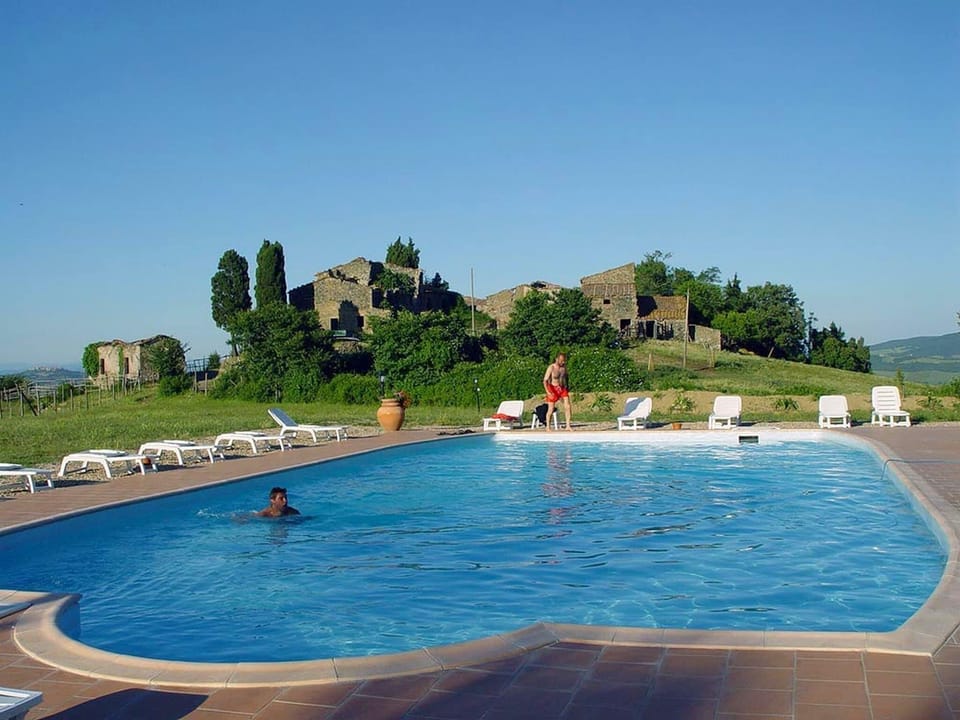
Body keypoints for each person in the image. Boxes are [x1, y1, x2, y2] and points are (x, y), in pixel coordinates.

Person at [542, 352, 572, 431]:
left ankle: (568, 426)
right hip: (552, 388)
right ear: (557, 359)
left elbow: (566, 377)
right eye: (561, 361)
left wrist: (567, 388)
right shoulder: (551, 367)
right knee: (551, 409)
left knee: (567, 406)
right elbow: (545, 381)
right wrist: (548, 392)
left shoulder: (564, 368)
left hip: (561, 388)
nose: (563, 362)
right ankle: (548, 427)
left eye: (564, 361)